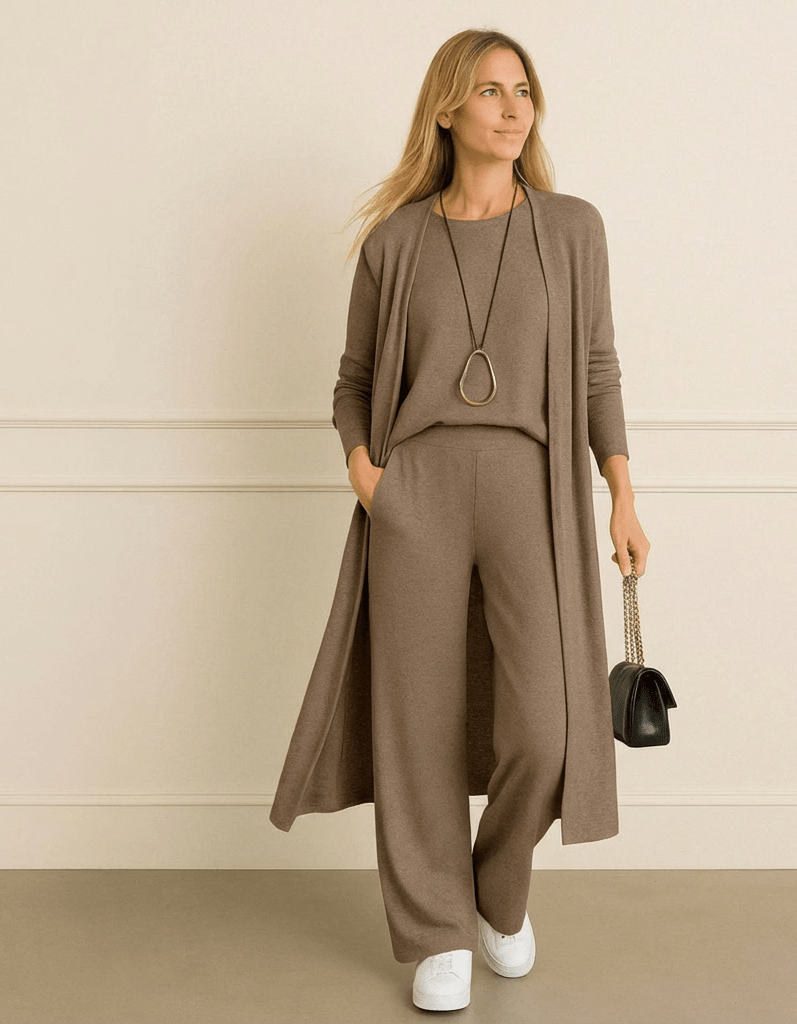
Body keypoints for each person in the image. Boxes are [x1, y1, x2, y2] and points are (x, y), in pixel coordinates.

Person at [269, 28, 650, 1012]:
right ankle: (436, 927)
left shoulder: (571, 229)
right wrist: (367, 474)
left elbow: (598, 369)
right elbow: (354, 383)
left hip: (531, 484)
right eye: (491, 91)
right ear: (447, 109)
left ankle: (497, 889)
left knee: (549, 722)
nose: (515, 107)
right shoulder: (396, 243)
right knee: (417, 721)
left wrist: (620, 491)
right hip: (419, 489)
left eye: (524, 90)